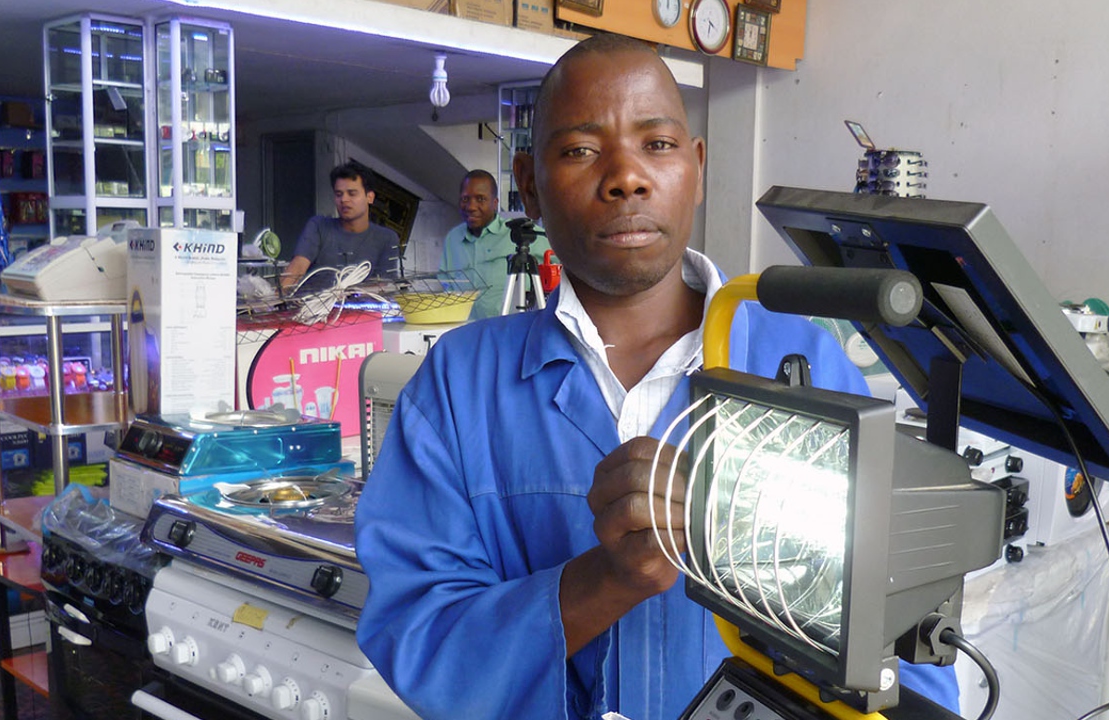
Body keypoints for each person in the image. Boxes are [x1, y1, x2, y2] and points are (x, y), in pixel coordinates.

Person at [355, 35, 960, 720]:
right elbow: (418, 637)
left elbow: (902, 647)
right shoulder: (459, 388)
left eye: (658, 145)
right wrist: (603, 581)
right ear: (530, 184)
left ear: (696, 168)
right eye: (581, 150)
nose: (626, 177)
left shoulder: (805, 368)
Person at [439, 169, 552, 319]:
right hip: (465, 332)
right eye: (465, 199)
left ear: (495, 203)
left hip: (509, 331)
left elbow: (565, 266)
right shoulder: (452, 239)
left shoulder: (521, 235)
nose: (471, 207)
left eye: (480, 199)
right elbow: (446, 285)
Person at [281, 161, 401, 292]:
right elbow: (297, 267)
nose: (344, 200)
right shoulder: (319, 226)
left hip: (362, 310)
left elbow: (385, 286)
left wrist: (346, 295)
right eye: (339, 194)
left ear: (370, 197)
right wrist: (275, 301)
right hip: (311, 309)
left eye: (352, 193)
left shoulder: (387, 238)